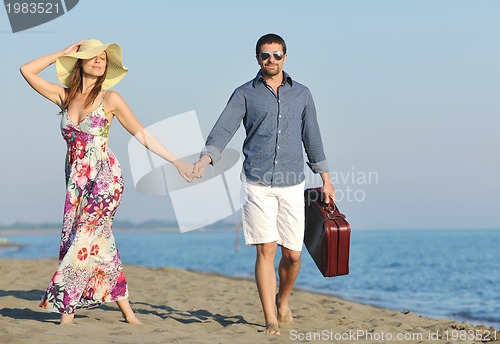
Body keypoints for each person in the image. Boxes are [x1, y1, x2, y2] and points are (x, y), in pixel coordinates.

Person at [20, 39, 194, 325]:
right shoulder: (64, 97)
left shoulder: (110, 98)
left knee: (82, 239)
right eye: (93, 56)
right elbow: (26, 70)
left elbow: (142, 133)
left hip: (105, 178)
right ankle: (128, 313)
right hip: (76, 180)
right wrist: (62, 54)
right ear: (81, 61)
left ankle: (66, 312)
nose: (100, 61)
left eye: (103, 58)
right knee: (98, 243)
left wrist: (176, 161)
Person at [193, 33, 335, 335]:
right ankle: (270, 317)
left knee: (293, 254)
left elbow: (313, 137)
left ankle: (283, 300)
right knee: (265, 251)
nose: (271, 59)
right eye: (265, 54)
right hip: (257, 183)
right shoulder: (245, 93)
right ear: (257, 58)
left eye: (277, 54)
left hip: (293, 183)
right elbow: (223, 131)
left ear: (285, 57)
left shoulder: (303, 94)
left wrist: (326, 179)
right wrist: (206, 160)